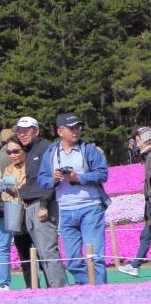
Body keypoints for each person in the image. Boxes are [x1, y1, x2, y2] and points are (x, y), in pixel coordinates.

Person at [36, 113, 110, 285]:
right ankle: (85, 289)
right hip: (66, 210)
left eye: (78, 127)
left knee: (95, 257)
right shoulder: (51, 152)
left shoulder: (89, 149)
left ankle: (101, 293)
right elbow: (42, 179)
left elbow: (102, 174)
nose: (76, 131)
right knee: (73, 260)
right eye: (71, 128)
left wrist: (79, 178)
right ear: (60, 131)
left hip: (90, 207)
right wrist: (54, 180)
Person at [14, 116, 67, 288]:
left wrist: (44, 205)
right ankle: (53, 286)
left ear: (36, 131)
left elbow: (52, 178)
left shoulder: (45, 148)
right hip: (31, 205)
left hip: (41, 204)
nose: (22, 135)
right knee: (42, 252)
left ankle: (59, 287)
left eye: (26, 131)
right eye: (19, 131)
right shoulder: (28, 151)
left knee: (48, 250)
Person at [0, 138, 33, 290]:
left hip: (10, 208)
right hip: (25, 207)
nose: (12, 154)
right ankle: (34, 282)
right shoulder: (29, 157)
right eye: (10, 151)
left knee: (4, 246)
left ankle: (4, 282)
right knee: (29, 246)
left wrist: (6, 187)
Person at [117, 127, 151, 277]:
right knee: (146, 234)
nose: (137, 143)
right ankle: (135, 265)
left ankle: (135, 265)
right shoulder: (147, 154)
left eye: (138, 140)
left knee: (147, 234)